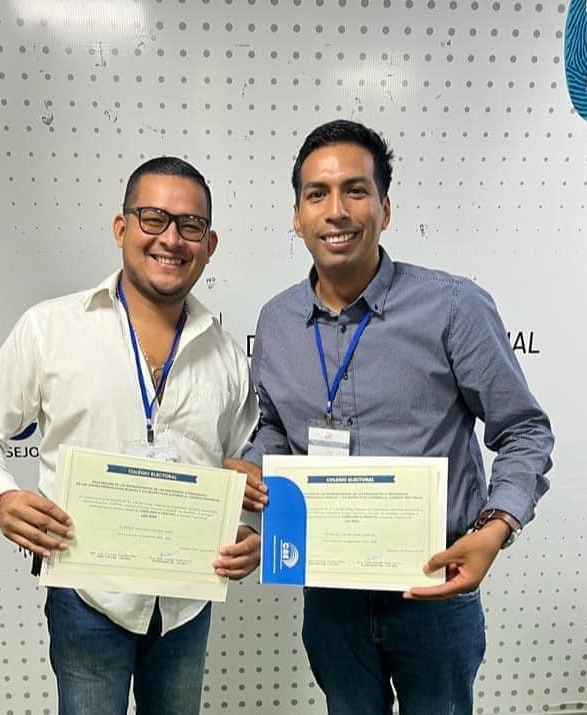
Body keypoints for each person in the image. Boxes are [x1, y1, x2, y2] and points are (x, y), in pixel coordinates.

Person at [227, 119, 554, 714]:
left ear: (385, 208)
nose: (336, 211)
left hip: (434, 584)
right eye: (317, 194)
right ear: (297, 217)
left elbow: (524, 431)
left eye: (355, 190)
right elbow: (273, 424)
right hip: (330, 588)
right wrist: (253, 465)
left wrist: (496, 527)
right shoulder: (276, 321)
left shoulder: (452, 306)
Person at [0, 156, 260, 715]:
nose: (171, 239)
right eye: (153, 218)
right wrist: (0, 497)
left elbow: (246, 463)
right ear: (122, 228)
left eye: (190, 225)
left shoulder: (227, 355)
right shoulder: (51, 328)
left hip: (187, 603)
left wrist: (250, 531)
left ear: (209, 244)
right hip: (87, 597)